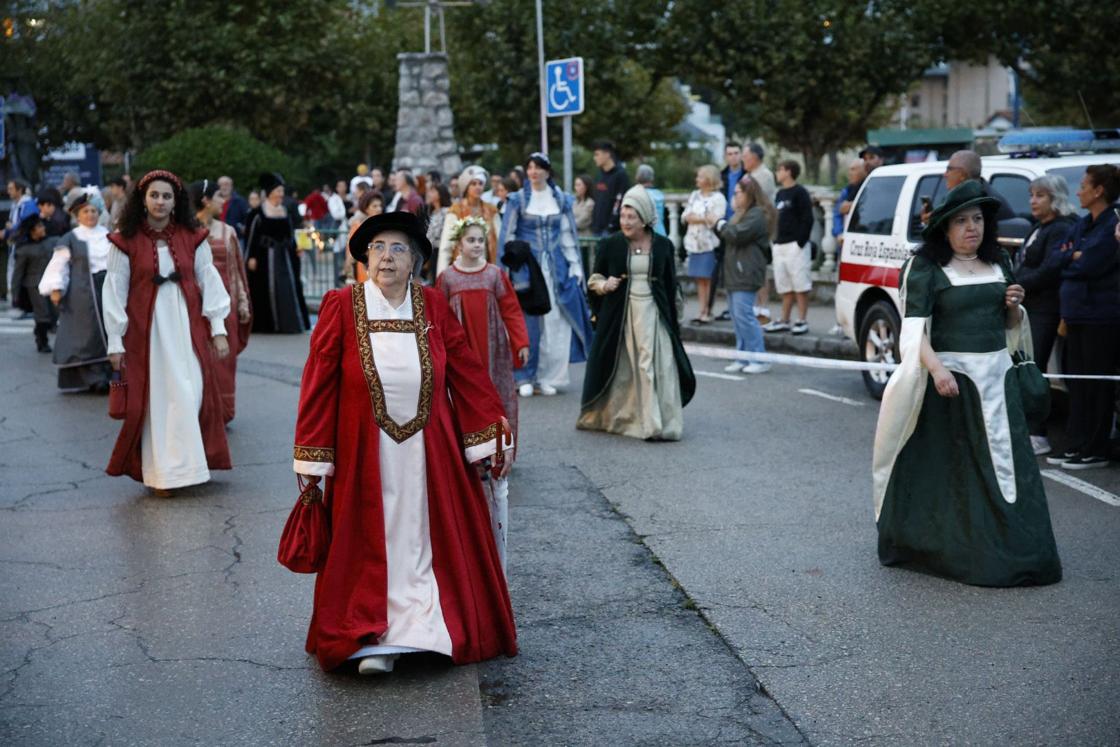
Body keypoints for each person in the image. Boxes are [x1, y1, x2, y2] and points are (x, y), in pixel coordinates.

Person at [290, 210, 518, 675]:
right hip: (362, 456)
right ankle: (372, 635)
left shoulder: (432, 306)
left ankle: (425, 629)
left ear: (414, 261)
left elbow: (466, 370)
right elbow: (318, 383)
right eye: (377, 248)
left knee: (426, 540)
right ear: (364, 258)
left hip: (431, 456)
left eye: (397, 249)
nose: (386, 257)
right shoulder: (341, 304)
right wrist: (313, 454)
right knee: (367, 543)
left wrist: (489, 434)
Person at [872, 180, 1062, 587]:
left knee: (1010, 469)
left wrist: (1013, 307)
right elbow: (914, 332)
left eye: (977, 219)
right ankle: (960, 547)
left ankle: (1019, 549)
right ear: (945, 227)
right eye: (961, 221)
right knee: (958, 471)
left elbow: (1009, 327)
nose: (971, 227)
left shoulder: (999, 263)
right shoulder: (926, 269)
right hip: (953, 386)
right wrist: (938, 370)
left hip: (998, 379)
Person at [103, 170, 233, 493]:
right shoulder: (126, 239)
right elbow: (114, 290)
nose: (160, 202)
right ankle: (164, 474)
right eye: (154, 195)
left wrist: (218, 328)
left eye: (167, 196)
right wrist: (115, 340)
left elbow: (209, 280)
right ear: (143, 200)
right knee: (158, 401)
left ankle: (190, 467)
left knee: (192, 394)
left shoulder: (193, 236)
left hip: (186, 327)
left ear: (176, 202)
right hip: (146, 335)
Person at [436, 217, 530, 568]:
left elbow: (510, 309)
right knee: (462, 402)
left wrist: (520, 341)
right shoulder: (447, 278)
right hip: (463, 352)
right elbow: (438, 314)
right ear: (459, 244)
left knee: (497, 399)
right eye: (471, 240)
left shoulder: (494, 275)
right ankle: (468, 454)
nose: (476, 245)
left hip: (493, 349)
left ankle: (498, 451)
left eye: (481, 240)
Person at [579, 186, 695, 440]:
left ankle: (662, 421)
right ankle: (645, 423)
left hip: (654, 313)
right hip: (623, 314)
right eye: (623, 216)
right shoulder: (611, 244)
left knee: (659, 365)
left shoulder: (663, 245)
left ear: (644, 218)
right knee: (634, 367)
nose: (626, 222)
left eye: (631, 217)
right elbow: (594, 278)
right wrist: (604, 285)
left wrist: (676, 319)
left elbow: (670, 284)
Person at [498, 152, 593, 397]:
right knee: (528, 323)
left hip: (556, 269)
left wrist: (575, 267)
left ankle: (549, 376)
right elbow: (506, 238)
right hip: (527, 271)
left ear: (547, 172)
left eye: (538, 167)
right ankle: (524, 375)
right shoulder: (517, 200)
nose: (533, 172)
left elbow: (567, 235)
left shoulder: (560, 199)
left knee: (556, 324)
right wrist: (505, 272)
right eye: (530, 167)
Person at [1044, 165, 1120, 471]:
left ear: (1099, 190)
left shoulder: (1111, 224)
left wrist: (1073, 257)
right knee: (1075, 383)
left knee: (1096, 384)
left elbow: (1090, 265)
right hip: (1076, 314)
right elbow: (1055, 260)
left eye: (1084, 186)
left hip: (1100, 317)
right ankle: (1076, 443)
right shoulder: (1083, 223)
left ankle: (1096, 447)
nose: (1078, 191)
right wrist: (1071, 256)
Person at [1014, 175, 1076, 456]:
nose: (1033, 201)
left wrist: (1018, 282)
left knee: (1035, 369)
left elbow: (1050, 269)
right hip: (1028, 308)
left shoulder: (1063, 228)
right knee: (1026, 365)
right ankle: (1027, 428)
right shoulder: (1038, 227)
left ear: (1056, 198)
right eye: (1031, 195)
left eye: (1040, 195)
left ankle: (1038, 433)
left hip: (1047, 309)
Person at [190, 179, 253, 423]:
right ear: (205, 200)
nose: (223, 201)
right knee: (197, 359)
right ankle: (198, 410)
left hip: (226, 306)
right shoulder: (185, 231)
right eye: (218, 196)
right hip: (193, 305)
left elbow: (236, 271)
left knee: (225, 361)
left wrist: (243, 303)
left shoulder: (228, 232)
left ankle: (222, 412)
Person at [37, 194, 113, 392]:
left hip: (108, 288)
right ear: (78, 215)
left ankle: (110, 375)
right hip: (82, 292)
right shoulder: (71, 238)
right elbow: (59, 265)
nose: (90, 215)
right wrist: (56, 288)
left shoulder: (108, 234)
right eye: (85, 211)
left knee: (111, 331)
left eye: (93, 211)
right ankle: (93, 378)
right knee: (87, 336)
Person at [716, 176, 777, 374]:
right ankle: (742, 356)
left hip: (746, 272)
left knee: (744, 315)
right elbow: (731, 232)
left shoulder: (757, 214)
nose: (735, 197)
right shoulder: (742, 213)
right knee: (737, 316)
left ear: (749, 193)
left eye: (737, 193)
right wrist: (724, 226)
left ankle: (759, 358)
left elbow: (736, 234)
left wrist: (719, 224)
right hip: (735, 272)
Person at [244, 173, 309, 333]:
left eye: (281, 191)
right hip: (265, 257)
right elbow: (251, 236)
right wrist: (251, 256)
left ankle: (289, 324)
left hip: (285, 257)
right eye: (278, 190)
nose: (281, 194)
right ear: (270, 192)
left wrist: (297, 247)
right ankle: (268, 325)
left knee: (289, 288)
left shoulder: (284, 211)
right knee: (265, 289)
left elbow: (290, 233)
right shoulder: (258, 213)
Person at [764, 160, 815, 335]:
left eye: (779, 169)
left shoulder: (800, 193)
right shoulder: (780, 194)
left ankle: (802, 319)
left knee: (800, 283)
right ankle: (784, 319)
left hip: (795, 245)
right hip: (780, 244)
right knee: (784, 284)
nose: (777, 173)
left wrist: (800, 241)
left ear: (788, 171)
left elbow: (807, 218)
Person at [681, 164, 727, 324]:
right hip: (694, 243)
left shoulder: (718, 198)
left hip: (709, 244)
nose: (697, 180)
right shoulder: (695, 195)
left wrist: (697, 217)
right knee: (700, 279)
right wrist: (701, 217)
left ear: (708, 179)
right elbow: (686, 216)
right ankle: (702, 310)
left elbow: (715, 219)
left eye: (700, 176)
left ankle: (708, 310)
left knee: (708, 278)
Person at [436, 166, 501, 276]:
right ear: (466, 186)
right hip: (461, 270)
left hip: (487, 270)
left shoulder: (491, 210)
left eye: (480, 184)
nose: (478, 187)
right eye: (473, 184)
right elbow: (446, 246)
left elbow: (499, 241)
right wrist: (441, 275)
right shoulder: (456, 210)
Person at [10, 215, 58, 352]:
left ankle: (42, 334)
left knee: (54, 313)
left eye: (42, 226)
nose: (43, 228)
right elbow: (18, 273)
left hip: (52, 283)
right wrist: (15, 294)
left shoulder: (52, 242)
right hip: (34, 285)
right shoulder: (24, 249)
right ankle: (42, 341)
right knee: (42, 314)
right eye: (39, 227)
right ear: (32, 231)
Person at [742, 143, 776, 321]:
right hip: (748, 226)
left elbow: (757, 201)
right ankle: (754, 305)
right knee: (751, 268)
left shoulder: (764, 175)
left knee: (760, 268)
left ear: (755, 157)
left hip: (759, 227)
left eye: (745, 156)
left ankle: (763, 307)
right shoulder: (749, 175)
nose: (743, 160)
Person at [4, 178, 37, 303]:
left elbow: (25, 223)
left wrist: (12, 228)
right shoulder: (15, 205)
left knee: (20, 273)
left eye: (11, 189)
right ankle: (14, 297)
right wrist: (6, 232)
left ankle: (20, 300)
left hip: (24, 244)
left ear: (20, 190)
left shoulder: (28, 204)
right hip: (15, 244)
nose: (8, 192)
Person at [590, 140, 630, 236]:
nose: (594, 158)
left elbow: (621, 201)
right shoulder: (599, 175)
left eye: (597, 154)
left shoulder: (620, 175)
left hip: (612, 231)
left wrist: (611, 224)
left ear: (607, 154)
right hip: (597, 229)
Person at [833, 159, 866, 253]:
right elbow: (837, 212)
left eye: (853, 169)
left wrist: (854, 205)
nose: (850, 173)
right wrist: (838, 233)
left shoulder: (869, 186)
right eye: (849, 170)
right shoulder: (847, 190)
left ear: (864, 170)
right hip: (846, 241)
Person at [634, 165, 666, 236]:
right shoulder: (659, 194)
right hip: (661, 233)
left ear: (638, 177)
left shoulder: (637, 194)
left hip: (646, 237)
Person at [425, 182, 452, 265]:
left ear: (440, 194)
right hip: (432, 253)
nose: (428, 194)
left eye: (432, 191)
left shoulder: (447, 212)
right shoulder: (432, 212)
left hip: (441, 252)